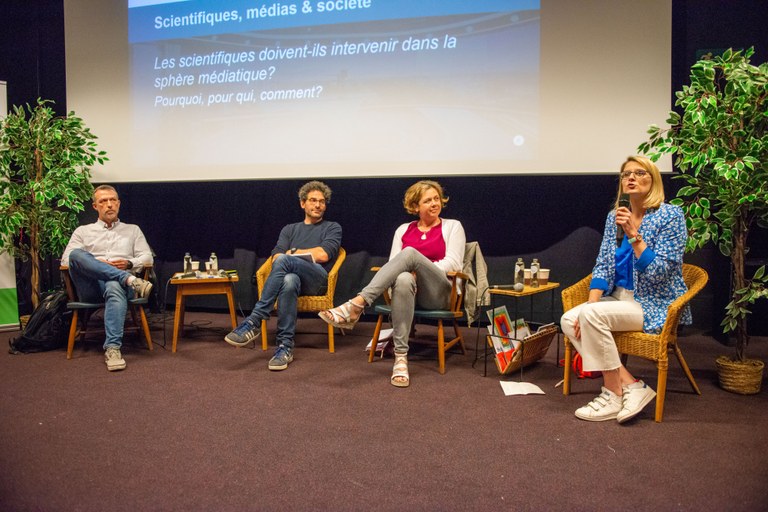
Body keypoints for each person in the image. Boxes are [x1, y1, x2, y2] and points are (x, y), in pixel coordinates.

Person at [560, 156, 690, 423]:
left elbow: (661, 272)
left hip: (655, 302)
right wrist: (591, 304)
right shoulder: (614, 217)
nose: (630, 177)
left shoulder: (670, 216)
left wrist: (633, 234)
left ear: (653, 180)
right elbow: (603, 264)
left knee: (590, 316)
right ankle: (630, 384)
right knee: (569, 319)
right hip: (619, 298)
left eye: (639, 173)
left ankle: (612, 393)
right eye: (625, 174)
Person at [319, 180, 465, 388]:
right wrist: (411, 272)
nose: (434, 203)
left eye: (436, 199)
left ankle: (358, 303)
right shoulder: (403, 230)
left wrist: (419, 268)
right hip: (409, 291)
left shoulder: (452, 226)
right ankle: (401, 359)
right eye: (427, 200)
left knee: (410, 254)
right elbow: (393, 265)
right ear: (415, 206)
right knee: (403, 278)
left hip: (439, 293)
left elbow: (453, 263)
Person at [225, 181, 342, 371]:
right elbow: (276, 257)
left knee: (286, 261)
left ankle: (255, 320)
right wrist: (290, 256)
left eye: (322, 201)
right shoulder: (289, 229)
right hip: (294, 281)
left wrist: (292, 253)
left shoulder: (332, 227)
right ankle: (284, 347)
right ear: (302, 203)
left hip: (317, 280)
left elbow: (323, 255)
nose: (318, 205)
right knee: (289, 280)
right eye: (313, 200)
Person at [61, 185, 154, 372]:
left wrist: (129, 263)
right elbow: (66, 260)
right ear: (95, 206)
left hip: (120, 288)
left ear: (119, 203)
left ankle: (112, 348)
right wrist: (97, 263)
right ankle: (129, 280)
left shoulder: (133, 230)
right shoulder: (83, 231)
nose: (109, 204)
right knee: (76, 255)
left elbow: (147, 258)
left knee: (113, 284)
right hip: (91, 287)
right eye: (103, 201)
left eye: (113, 200)